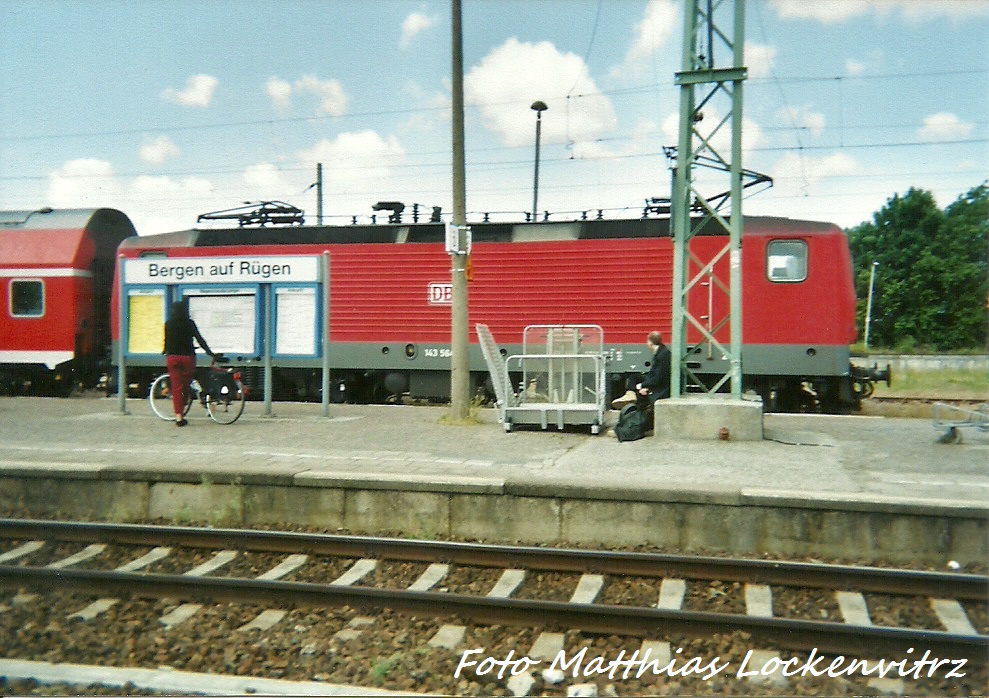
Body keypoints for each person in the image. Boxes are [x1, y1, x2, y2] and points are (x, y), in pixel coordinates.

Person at [163, 300, 213, 426]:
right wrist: (210, 352)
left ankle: (179, 417)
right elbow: (199, 339)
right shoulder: (189, 323)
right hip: (188, 358)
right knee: (185, 384)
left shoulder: (169, 324)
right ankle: (184, 402)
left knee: (176, 387)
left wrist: (164, 350)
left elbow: (166, 341)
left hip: (172, 358)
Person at [611, 331, 671, 409]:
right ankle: (630, 394)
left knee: (639, 393)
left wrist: (644, 386)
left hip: (661, 387)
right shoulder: (662, 351)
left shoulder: (662, 356)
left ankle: (632, 400)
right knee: (634, 376)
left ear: (650, 343)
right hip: (658, 381)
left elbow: (658, 378)